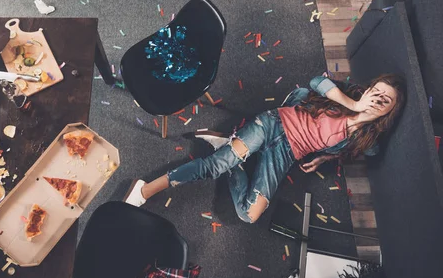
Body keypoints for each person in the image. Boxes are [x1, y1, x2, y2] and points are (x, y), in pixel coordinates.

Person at [124, 74, 406, 223]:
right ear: (367, 90)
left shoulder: (367, 139)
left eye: (386, 100)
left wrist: (323, 158)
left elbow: (363, 151)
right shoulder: (344, 97)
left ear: (390, 111)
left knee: (249, 215)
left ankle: (228, 147)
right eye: (376, 91)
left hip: (287, 153)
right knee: (213, 166)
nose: (378, 98)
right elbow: (316, 82)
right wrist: (354, 106)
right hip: (274, 124)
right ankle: (145, 189)